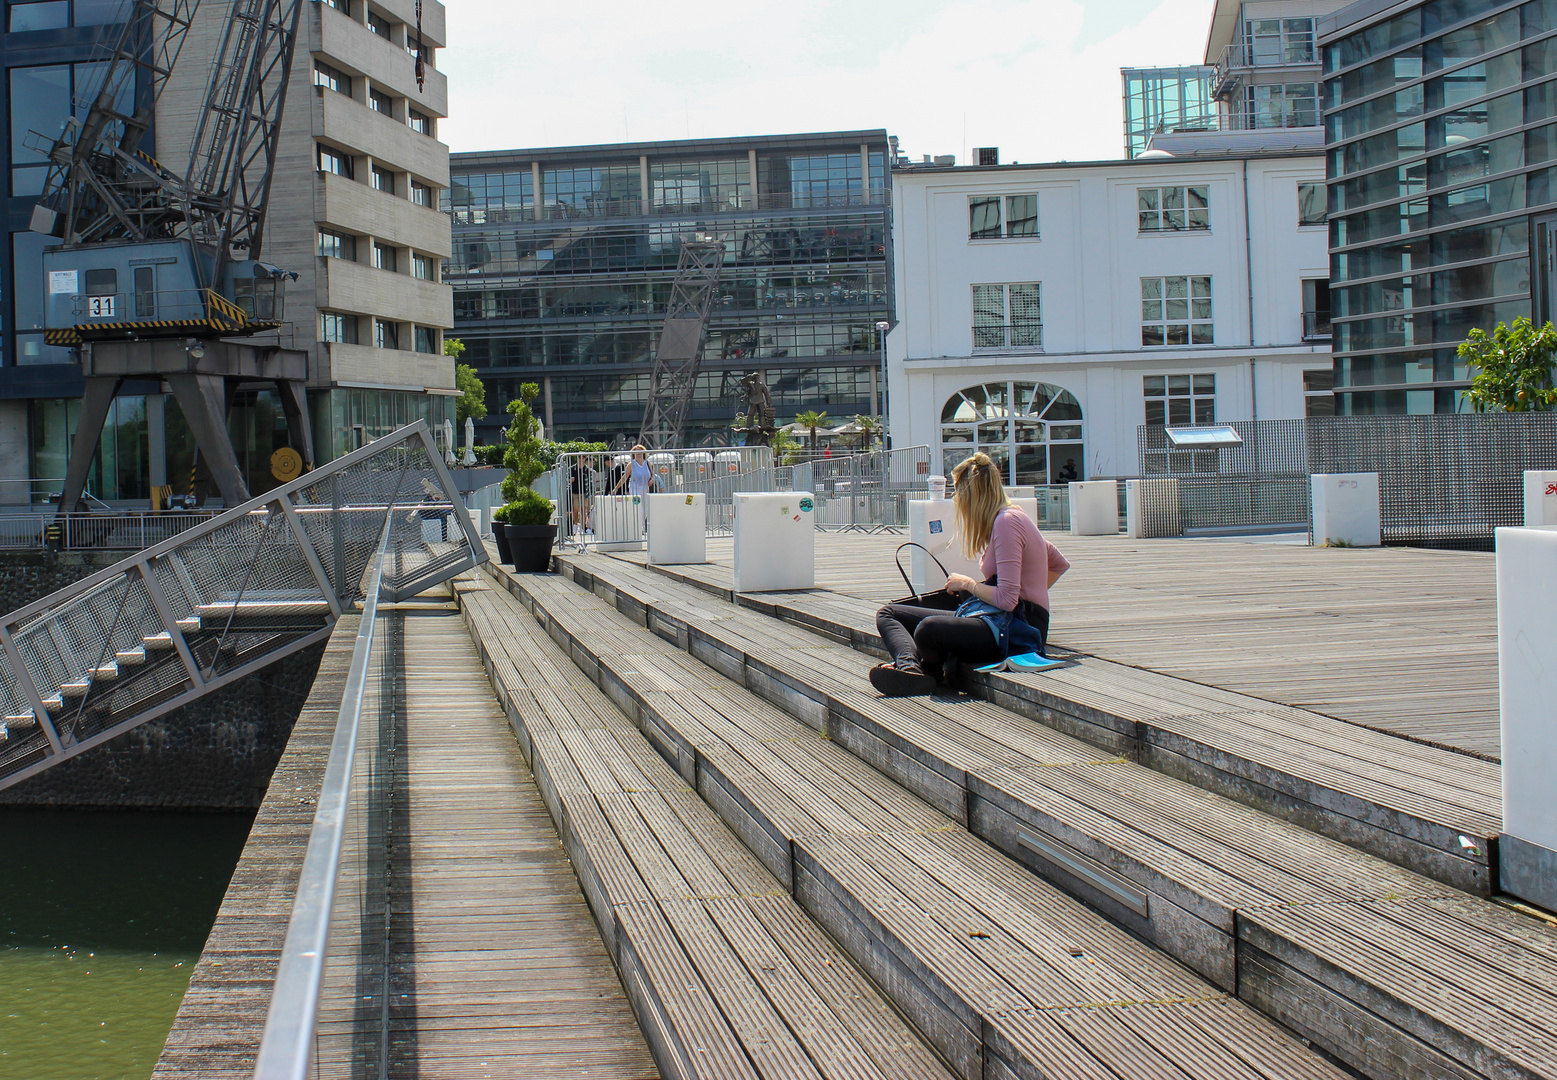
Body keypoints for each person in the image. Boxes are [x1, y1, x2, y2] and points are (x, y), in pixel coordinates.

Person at [870, 452, 1070, 696]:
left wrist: (970, 584)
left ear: (972, 494)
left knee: (928, 629)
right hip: (997, 618)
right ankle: (910, 670)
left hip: (1015, 627)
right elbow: (1058, 563)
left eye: (957, 491)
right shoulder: (1013, 516)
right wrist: (1032, 591)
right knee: (889, 613)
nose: (955, 498)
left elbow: (1008, 600)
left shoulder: (1007, 522)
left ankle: (926, 672)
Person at [612, 445, 655, 531]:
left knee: (645, 508)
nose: (638, 453)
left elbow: (652, 474)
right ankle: (638, 527)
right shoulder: (631, 464)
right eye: (636, 451)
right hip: (634, 488)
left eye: (640, 451)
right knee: (638, 507)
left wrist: (651, 480)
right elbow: (625, 477)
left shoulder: (647, 463)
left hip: (645, 488)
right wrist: (617, 487)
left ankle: (642, 525)